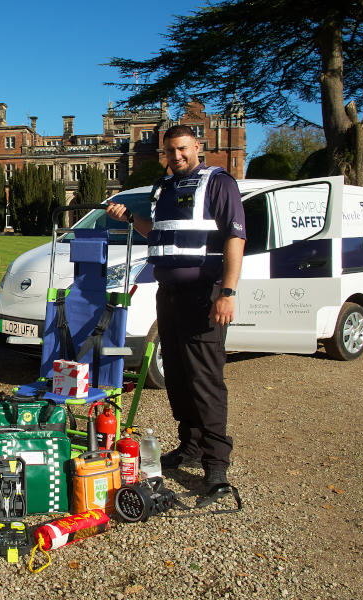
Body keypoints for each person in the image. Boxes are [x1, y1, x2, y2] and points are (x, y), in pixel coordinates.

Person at [105, 125, 245, 495]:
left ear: (198, 146)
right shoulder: (164, 187)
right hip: (168, 295)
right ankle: (191, 447)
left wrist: (227, 292)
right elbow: (160, 233)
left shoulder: (219, 183)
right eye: (170, 151)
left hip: (205, 295)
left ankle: (216, 466)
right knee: (178, 377)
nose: (176, 156)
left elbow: (235, 237)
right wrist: (131, 219)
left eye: (182, 149)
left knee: (204, 379)